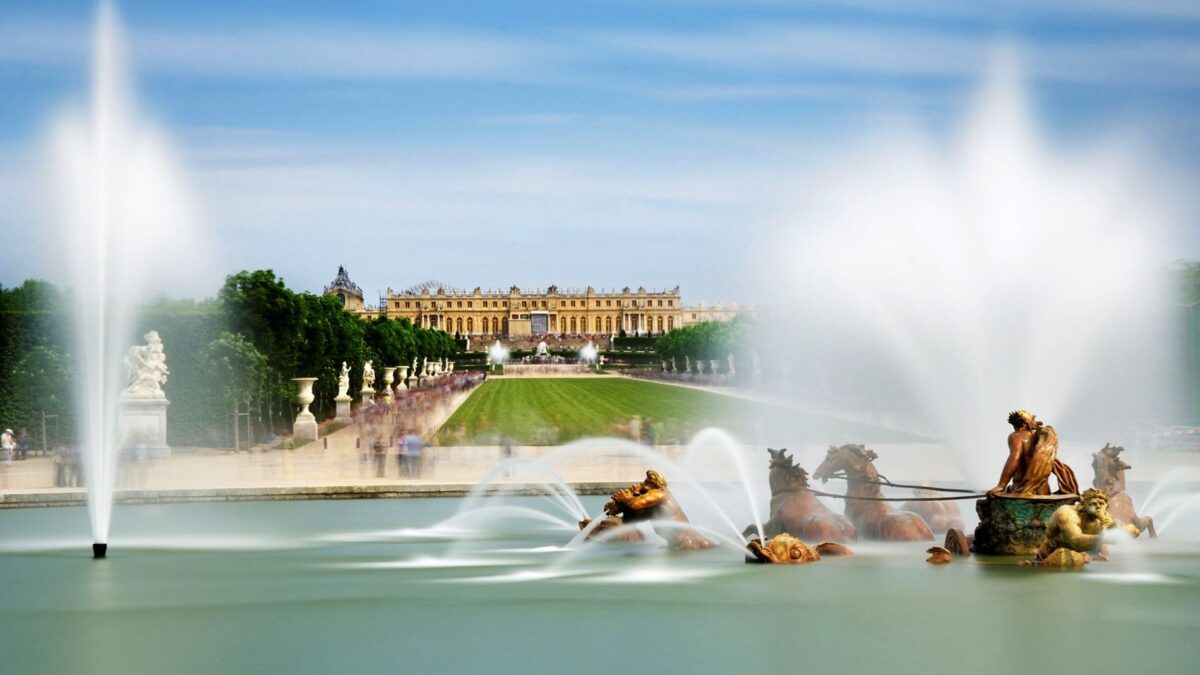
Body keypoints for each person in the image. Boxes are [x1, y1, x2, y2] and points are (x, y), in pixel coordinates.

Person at [989, 410, 1079, 497]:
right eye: (1033, 419)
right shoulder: (1038, 439)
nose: (1035, 422)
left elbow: (1014, 458)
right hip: (1043, 490)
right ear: (1025, 422)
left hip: (1022, 490)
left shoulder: (1016, 436)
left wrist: (1001, 485)